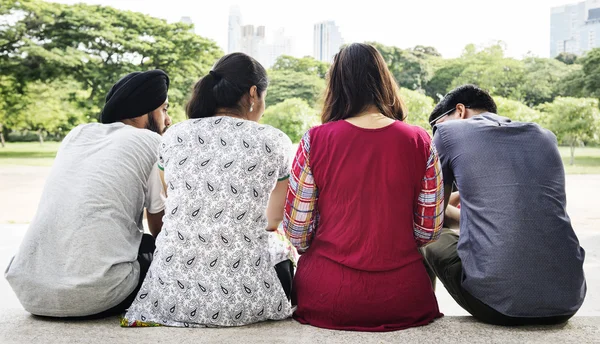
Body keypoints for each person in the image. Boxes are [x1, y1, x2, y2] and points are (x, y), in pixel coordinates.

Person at [122, 52, 295, 328]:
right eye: (264, 97)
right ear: (253, 93)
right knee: (284, 251)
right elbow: (273, 221)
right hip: (245, 301)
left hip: (170, 297)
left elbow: (175, 200)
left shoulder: (174, 136)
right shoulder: (275, 140)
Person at [283, 43, 444, 332]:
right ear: (384, 81)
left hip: (325, 294)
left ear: (336, 85)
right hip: (404, 296)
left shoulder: (315, 140)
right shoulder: (420, 140)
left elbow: (297, 229)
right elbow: (428, 230)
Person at [5, 69, 172, 318]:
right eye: (164, 110)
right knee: (158, 248)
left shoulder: (77, 134)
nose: (168, 120)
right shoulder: (151, 142)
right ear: (144, 110)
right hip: (99, 294)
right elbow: (160, 227)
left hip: (31, 293)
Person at [423, 84, 586, 326]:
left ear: (460, 111)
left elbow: (432, 218)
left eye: (436, 123)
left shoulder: (449, 133)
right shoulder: (545, 136)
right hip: (568, 299)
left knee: (427, 237)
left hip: (499, 305)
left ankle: (422, 314)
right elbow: (519, 209)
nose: (435, 132)